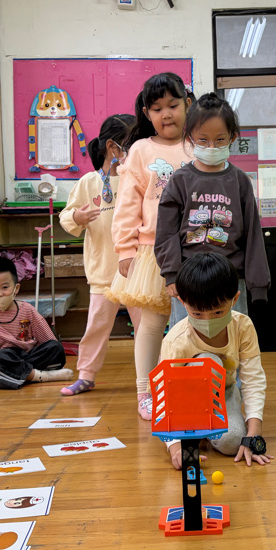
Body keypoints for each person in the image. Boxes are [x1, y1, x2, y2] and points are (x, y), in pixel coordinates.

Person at [106, 72, 194, 420]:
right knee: (153, 325)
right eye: (157, 109)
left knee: (194, 324)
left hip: (196, 250)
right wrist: (125, 249)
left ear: (188, 103)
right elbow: (127, 205)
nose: (166, 114)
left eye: (173, 105)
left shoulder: (198, 144)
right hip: (153, 251)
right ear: (146, 113)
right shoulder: (141, 150)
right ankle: (146, 392)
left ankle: (191, 386)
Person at [154, 91, 270, 327]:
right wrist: (171, 274)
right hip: (188, 280)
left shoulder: (239, 180)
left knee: (232, 340)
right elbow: (166, 232)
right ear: (190, 138)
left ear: (232, 138)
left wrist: (257, 285)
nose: (211, 146)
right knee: (186, 341)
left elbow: (253, 234)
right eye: (203, 140)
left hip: (230, 281)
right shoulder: (180, 180)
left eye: (219, 140)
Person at [159, 253, 273, 469]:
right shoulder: (176, 341)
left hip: (224, 394)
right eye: (197, 313)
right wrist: (175, 448)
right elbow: (165, 395)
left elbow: (253, 379)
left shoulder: (243, 326)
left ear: (234, 300)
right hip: (185, 404)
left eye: (218, 312)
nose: (208, 320)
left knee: (232, 442)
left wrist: (254, 434)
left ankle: (207, 429)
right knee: (208, 361)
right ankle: (196, 428)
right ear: (183, 302)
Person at [58, 113, 141, 395]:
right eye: (130, 144)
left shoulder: (136, 178)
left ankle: (151, 378)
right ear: (112, 147)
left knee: (146, 328)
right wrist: (77, 218)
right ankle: (86, 375)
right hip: (102, 270)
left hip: (136, 270)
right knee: (96, 326)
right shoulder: (88, 182)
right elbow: (66, 216)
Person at [0, 256, 73, 389]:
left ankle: (18, 374)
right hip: (3, 357)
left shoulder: (27, 309)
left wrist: (52, 351)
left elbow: (47, 339)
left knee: (56, 348)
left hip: (28, 355)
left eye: (4, 287)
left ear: (16, 288)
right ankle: (40, 376)